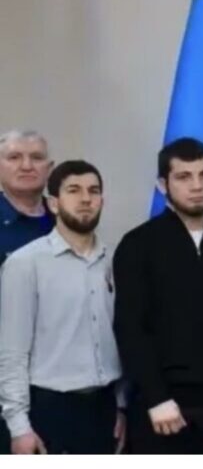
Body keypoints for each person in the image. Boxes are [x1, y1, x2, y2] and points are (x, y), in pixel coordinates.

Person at [113, 137, 203, 454]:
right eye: (184, 176)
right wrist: (156, 397)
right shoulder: (138, 245)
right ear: (162, 184)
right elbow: (131, 328)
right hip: (163, 408)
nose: (196, 186)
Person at [0, 160, 125, 454]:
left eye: (93, 191)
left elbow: (121, 338)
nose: (85, 199)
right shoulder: (25, 263)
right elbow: (11, 351)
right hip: (50, 410)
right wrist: (19, 426)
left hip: (104, 408)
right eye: (74, 190)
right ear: (53, 203)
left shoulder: (115, 260)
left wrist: (120, 405)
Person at [0, 129, 54, 453]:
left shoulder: (67, 221)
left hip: (59, 386)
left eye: (36, 157)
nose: (26, 165)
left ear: (50, 168)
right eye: (14, 157)